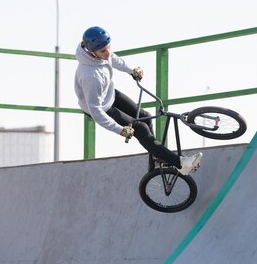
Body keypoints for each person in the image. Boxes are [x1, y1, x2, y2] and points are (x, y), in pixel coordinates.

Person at [74, 26, 202, 175]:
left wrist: (131, 70)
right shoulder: (91, 76)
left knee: (145, 116)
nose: (107, 53)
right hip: (101, 108)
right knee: (140, 128)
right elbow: (95, 111)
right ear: (91, 52)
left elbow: (114, 59)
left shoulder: (100, 54)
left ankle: (155, 160)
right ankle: (180, 164)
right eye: (103, 51)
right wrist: (120, 130)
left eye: (108, 47)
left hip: (109, 95)